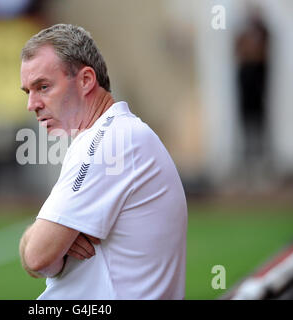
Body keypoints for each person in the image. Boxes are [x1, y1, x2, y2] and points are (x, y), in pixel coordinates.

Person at [19, 24, 187, 299]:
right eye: (28, 91)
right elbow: (43, 251)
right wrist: (49, 238)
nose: (32, 104)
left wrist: (39, 239)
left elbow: (38, 257)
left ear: (86, 80)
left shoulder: (108, 142)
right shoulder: (118, 134)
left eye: (43, 87)